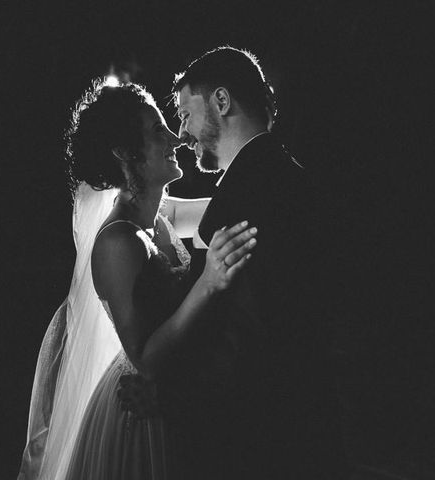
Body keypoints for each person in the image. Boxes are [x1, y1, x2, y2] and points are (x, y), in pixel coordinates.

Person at [17, 78, 258, 480]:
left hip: (176, 397)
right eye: (156, 131)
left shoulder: (161, 218)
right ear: (125, 154)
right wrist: (207, 282)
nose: (175, 138)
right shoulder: (118, 242)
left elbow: (237, 203)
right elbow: (144, 360)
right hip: (140, 413)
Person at [166, 46, 350, 479]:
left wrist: (171, 393)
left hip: (260, 443)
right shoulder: (289, 179)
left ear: (222, 101)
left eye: (184, 113)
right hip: (309, 426)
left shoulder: (244, 200)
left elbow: (246, 340)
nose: (182, 131)